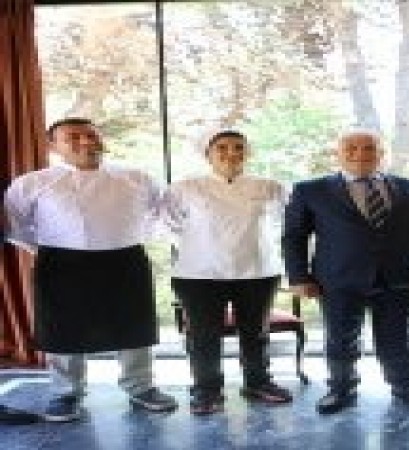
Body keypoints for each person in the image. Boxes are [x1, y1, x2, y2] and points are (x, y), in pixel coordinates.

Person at [3, 118, 177, 422]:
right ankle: (66, 393)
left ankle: (141, 387)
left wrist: (125, 238)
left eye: (91, 135)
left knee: (133, 325)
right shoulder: (31, 183)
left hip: (125, 259)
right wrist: (52, 248)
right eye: (73, 137)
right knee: (62, 329)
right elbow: (15, 225)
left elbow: (158, 215)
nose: (85, 141)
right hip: (61, 263)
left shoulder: (136, 177)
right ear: (52, 146)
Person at [282, 129, 409, 414]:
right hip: (338, 278)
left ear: (381, 154)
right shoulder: (310, 190)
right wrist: (298, 277)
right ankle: (341, 388)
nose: (360, 154)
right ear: (337, 154)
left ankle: (406, 385)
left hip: (398, 276)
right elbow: (294, 236)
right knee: (340, 337)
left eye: (369, 148)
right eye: (351, 148)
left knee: (401, 337)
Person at [164, 130, 292, 415]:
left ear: (248, 153)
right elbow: (169, 224)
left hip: (257, 269)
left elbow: (287, 223)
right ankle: (207, 390)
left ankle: (258, 382)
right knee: (203, 335)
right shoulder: (185, 187)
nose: (231, 152)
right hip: (199, 273)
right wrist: (204, 243)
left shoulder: (270, 187)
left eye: (238, 147)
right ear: (207, 154)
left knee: (256, 332)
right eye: (221, 147)